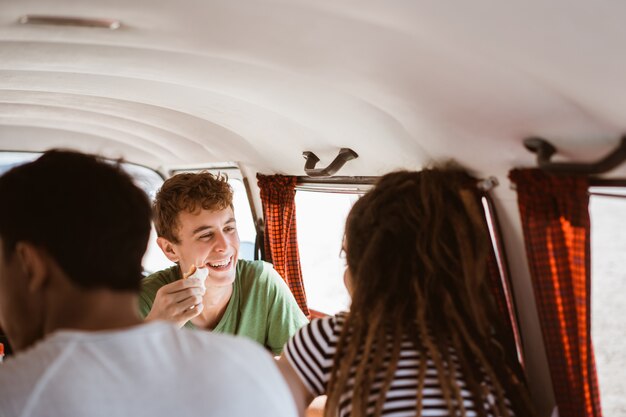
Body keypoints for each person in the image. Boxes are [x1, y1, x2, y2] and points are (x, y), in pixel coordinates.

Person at [0, 150, 297, 417]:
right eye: (206, 235)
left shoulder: (16, 395)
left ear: (30, 265)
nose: (224, 246)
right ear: (162, 249)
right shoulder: (252, 370)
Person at [278, 167, 536, 417]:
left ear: (367, 275)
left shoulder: (334, 339)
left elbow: (261, 403)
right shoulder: (485, 351)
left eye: (348, 259)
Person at [138, 171, 308, 355]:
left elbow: (309, 365)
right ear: (170, 249)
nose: (225, 246)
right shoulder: (144, 302)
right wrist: (151, 332)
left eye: (229, 228)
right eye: (205, 235)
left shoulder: (262, 283)